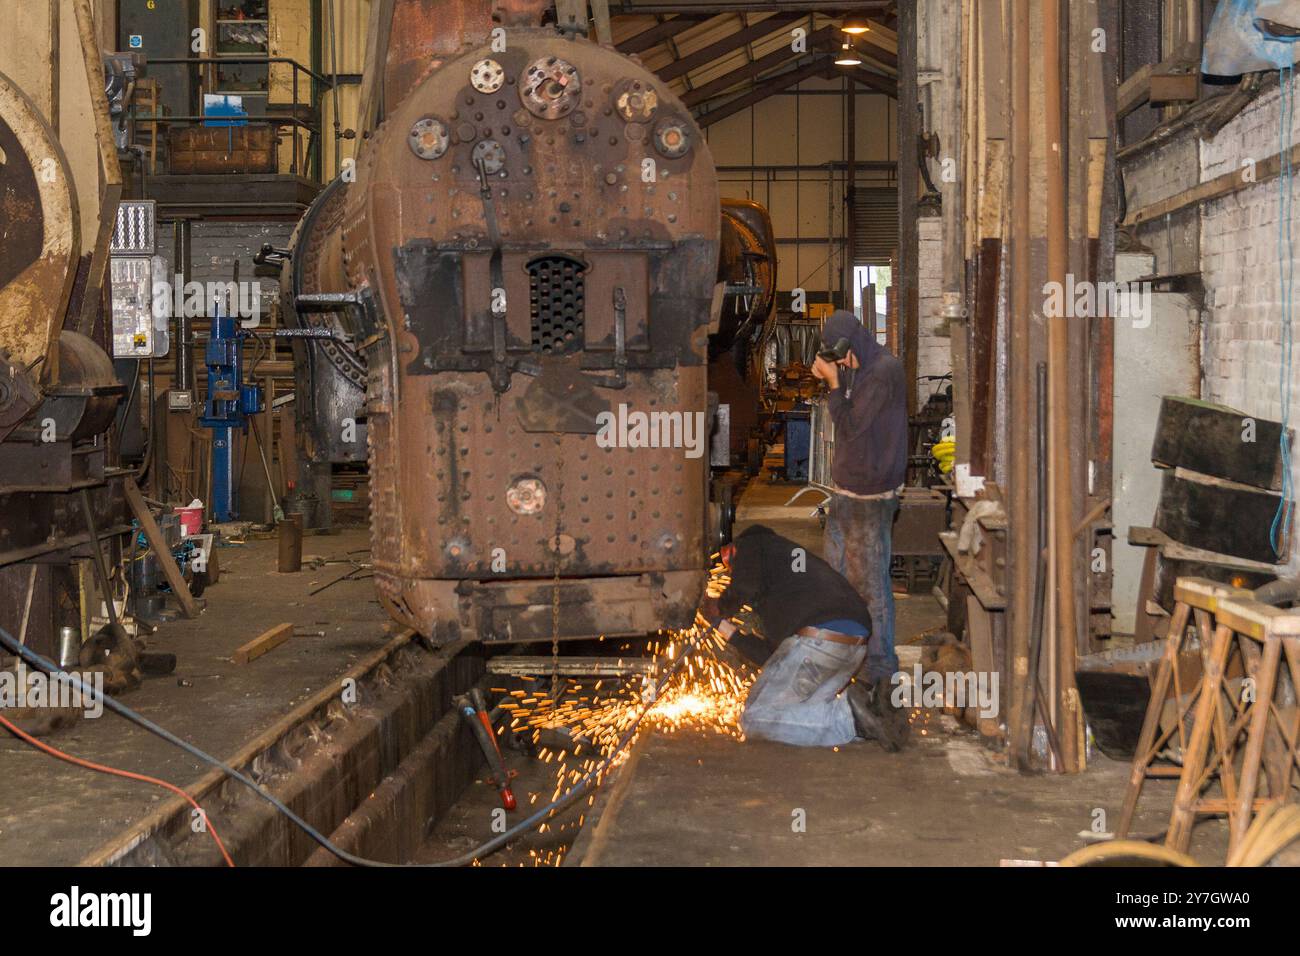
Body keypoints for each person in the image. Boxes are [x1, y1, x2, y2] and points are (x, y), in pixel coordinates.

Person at [701, 524, 908, 750]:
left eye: (729, 564)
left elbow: (744, 585)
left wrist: (721, 606)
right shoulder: (790, 580)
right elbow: (774, 658)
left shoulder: (753, 544)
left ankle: (853, 720)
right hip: (852, 646)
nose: (730, 572)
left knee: (755, 718)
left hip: (819, 641)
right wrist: (726, 630)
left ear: (732, 549)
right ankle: (873, 709)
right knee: (801, 711)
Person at [811, 309, 908, 717]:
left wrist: (834, 385)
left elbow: (849, 426)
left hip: (869, 499)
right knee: (837, 583)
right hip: (847, 495)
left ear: (856, 344)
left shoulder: (882, 373)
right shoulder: (864, 367)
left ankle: (881, 673)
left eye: (844, 359)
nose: (843, 366)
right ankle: (840, 657)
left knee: (871, 590)